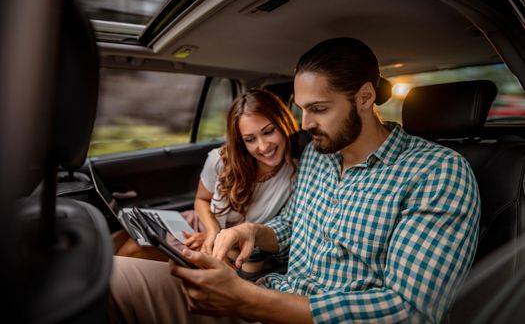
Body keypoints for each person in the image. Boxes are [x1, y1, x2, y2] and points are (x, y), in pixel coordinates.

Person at [109, 37, 480, 324]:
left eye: (319, 109)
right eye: (301, 109)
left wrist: (246, 299)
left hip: (277, 307)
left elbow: (409, 311)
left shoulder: (436, 172)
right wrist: (251, 232)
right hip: (263, 298)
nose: (304, 125)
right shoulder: (320, 157)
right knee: (108, 274)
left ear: (365, 98)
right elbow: (291, 227)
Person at [113, 88, 299, 261]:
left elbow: (275, 231)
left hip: (236, 246)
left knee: (134, 255)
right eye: (250, 139)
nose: (263, 146)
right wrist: (212, 232)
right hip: (202, 223)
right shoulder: (220, 160)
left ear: (283, 123)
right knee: (126, 242)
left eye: (269, 131)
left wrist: (218, 239)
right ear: (241, 141)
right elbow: (202, 200)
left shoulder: (297, 174)